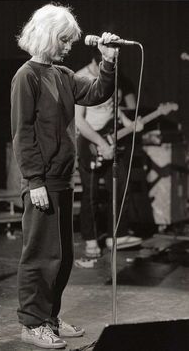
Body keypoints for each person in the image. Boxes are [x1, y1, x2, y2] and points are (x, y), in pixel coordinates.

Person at [10, 3, 119, 349]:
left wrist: (108, 62)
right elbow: (22, 132)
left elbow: (98, 92)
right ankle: (31, 324)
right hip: (41, 182)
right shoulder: (26, 76)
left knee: (62, 257)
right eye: (64, 40)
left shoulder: (63, 75)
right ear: (46, 36)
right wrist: (35, 180)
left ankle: (49, 318)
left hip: (61, 179)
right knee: (40, 255)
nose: (68, 47)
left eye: (70, 42)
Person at [75, 48, 144, 259]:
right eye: (103, 65)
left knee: (121, 185)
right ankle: (90, 238)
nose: (105, 69)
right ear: (95, 62)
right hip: (89, 140)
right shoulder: (81, 78)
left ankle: (118, 235)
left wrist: (129, 123)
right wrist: (100, 144)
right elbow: (78, 120)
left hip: (110, 137)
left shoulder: (112, 76)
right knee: (91, 193)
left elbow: (115, 108)